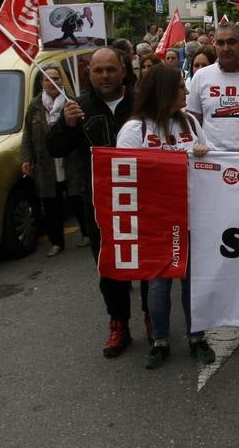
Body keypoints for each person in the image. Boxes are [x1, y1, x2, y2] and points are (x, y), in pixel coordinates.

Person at [48, 47, 168, 359]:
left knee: (146, 261)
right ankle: (118, 323)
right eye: (98, 71)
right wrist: (65, 124)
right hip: (100, 204)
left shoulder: (142, 102)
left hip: (144, 199)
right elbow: (55, 149)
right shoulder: (78, 106)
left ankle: (151, 315)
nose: (105, 76)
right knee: (109, 265)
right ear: (88, 74)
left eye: (111, 70)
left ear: (124, 71)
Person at [116, 65, 212, 370]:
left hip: (191, 213)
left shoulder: (191, 122)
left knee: (192, 282)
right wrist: (173, 162)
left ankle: (197, 337)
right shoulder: (135, 129)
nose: (186, 92)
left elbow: (211, 159)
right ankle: (160, 340)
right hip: (155, 218)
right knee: (158, 284)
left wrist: (203, 153)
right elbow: (126, 172)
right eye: (181, 87)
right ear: (164, 92)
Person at [20, 65, 86, 257]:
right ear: (42, 83)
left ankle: (86, 233)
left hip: (71, 160)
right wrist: (26, 158)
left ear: (62, 81)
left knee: (77, 198)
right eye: (48, 79)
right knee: (51, 203)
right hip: (46, 163)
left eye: (56, 78)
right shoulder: (35, 106)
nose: (52, 82)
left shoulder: (71, 102)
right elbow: (27, 135)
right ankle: (56, 242)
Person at [186, 22, 239, 151]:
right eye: (220, 43)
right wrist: (196, 144)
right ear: (215, 46)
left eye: (231, 42)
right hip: (211, 158)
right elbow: (192, 121)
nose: (226, 48)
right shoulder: (201, 76)